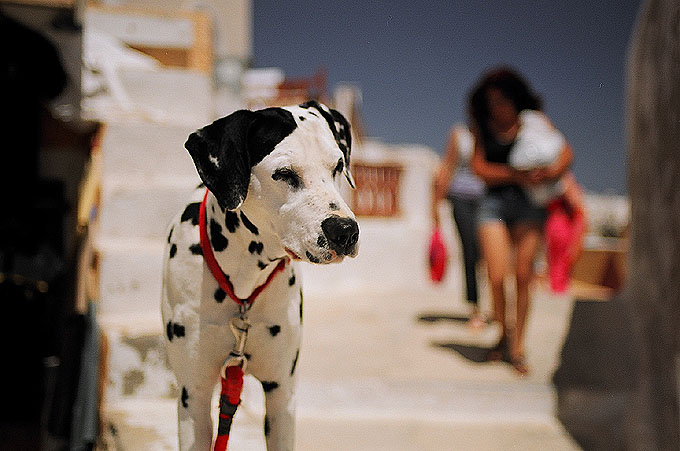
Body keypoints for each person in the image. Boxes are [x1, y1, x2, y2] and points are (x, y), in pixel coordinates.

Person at [468, 67, 573, 375]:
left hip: (529, 205)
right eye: (491, 102)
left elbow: (566, 152)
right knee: (497, 276)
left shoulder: (535, 122)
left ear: (515, 99)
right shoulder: (482, 127)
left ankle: (517, 347)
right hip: (494, 203)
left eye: (502, 100)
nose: (497, 107)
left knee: (524, 276)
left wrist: (551, 173)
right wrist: (515, 174)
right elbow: (479, 167)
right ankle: (503, 332)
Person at [432, 124, 486, 329]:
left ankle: (495, 305)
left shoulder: (493, 133)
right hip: (461, 198)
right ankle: (475, 307)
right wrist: (435, 205)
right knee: (470, 251)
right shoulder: (459, 134)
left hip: (487, 199)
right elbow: (448, 166)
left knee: (487, 254)